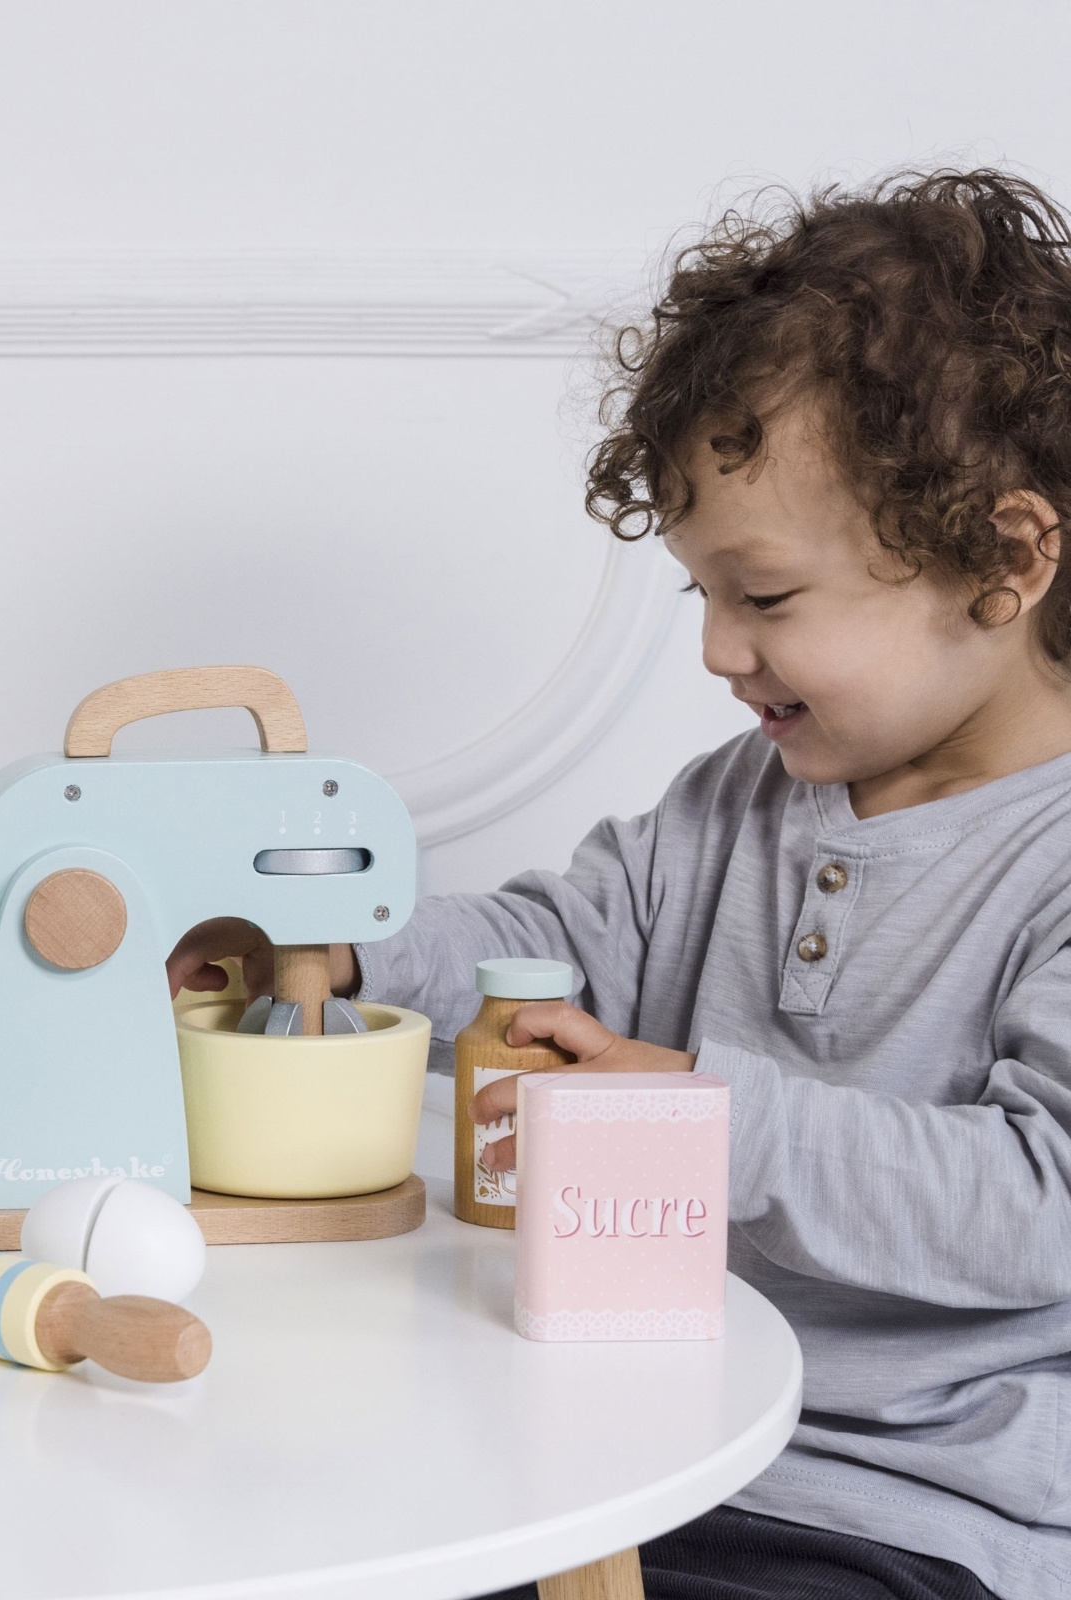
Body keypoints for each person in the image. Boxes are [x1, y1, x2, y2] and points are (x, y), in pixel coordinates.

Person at [167, 169, 1071, 1600]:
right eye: (701, 596)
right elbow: (554, 948)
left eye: (764, 597)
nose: (718, 652)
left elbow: (1040, 1205)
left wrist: (696, 1124)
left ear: (1007, 558)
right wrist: (344, 956)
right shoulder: (743, 802)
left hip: (898, 1517)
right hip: (622, 1445)